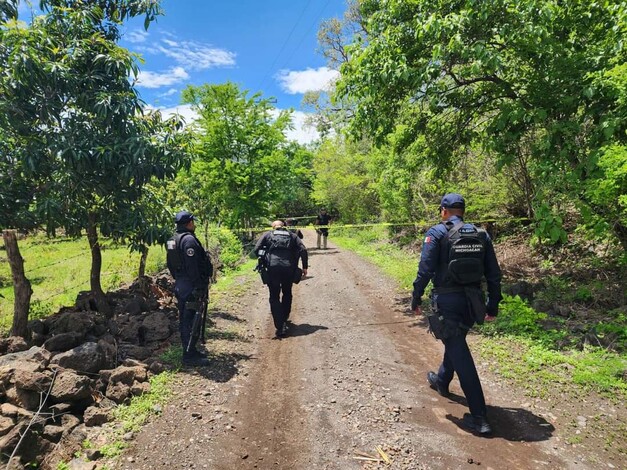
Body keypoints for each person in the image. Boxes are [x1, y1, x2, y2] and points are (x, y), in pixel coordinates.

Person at [411, 193, 502, 436]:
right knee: (456, 341)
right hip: (473, 304)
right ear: (462, 210)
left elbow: (425, 269)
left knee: (461, 354)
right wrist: (493, 305)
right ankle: (441, 381)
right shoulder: (481, 234)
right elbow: (494, 274)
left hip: (448, 301)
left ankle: (480, 417)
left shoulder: (437, 233)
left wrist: (415, 297)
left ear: (443, 211)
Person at [167, 210, 213, 367]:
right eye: (193, 221)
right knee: (191, 319)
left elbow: (170, 264)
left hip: (181, 282)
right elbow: (193, 267)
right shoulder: (189, 241)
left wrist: (179, 279)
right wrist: (199, 286)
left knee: (187, 318)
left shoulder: (172, 239)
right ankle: (189, 355)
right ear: (189, 223)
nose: (194, 224)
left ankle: (191, 350)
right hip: (190, 284)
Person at [255, 220, 308, 338]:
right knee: (287, 293)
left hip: (273, 268)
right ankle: (284, 318)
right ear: (283, 226)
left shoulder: (267, 235)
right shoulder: (292, 235)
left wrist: (263, 261)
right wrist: (304, 267)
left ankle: (280, 326)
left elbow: (256, 250)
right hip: (289, 268)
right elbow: (303, 250)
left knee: (274, 296)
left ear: (273, 227)